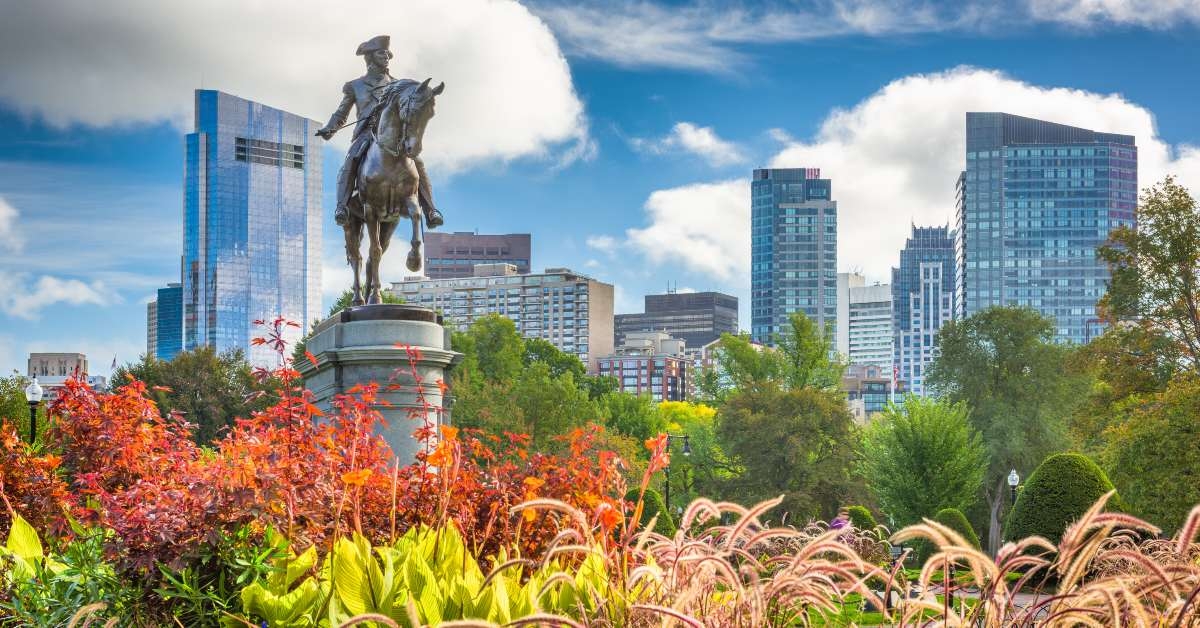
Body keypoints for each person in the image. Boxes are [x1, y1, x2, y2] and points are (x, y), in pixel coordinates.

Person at [316, 35, 443, 229]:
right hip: (367, 134)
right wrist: (329, 129)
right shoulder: (355, 86)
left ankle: (431, 210)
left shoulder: (398, 84)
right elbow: (342, 113)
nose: (386, 56)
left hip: (394, 136)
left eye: (387, 53)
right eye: (381, 53)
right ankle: (342, 207)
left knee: (417, 162)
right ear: (370, 57)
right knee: (351, 159)